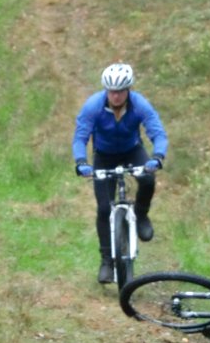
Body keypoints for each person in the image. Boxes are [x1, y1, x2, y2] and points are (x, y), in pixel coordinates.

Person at [72, 63, 168, 284]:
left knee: (147, 179)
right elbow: (80, 137)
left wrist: (157, 157)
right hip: (104, 155)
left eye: (121, 91)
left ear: (128, 89)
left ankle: (141, 214)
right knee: (104, 208)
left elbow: (157, 132)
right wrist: (81, 162)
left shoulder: (139, 104)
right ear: (106, 90)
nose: (116, 96)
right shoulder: (93, 106)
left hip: (131, 150)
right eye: (111, 91)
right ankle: (107, 261)